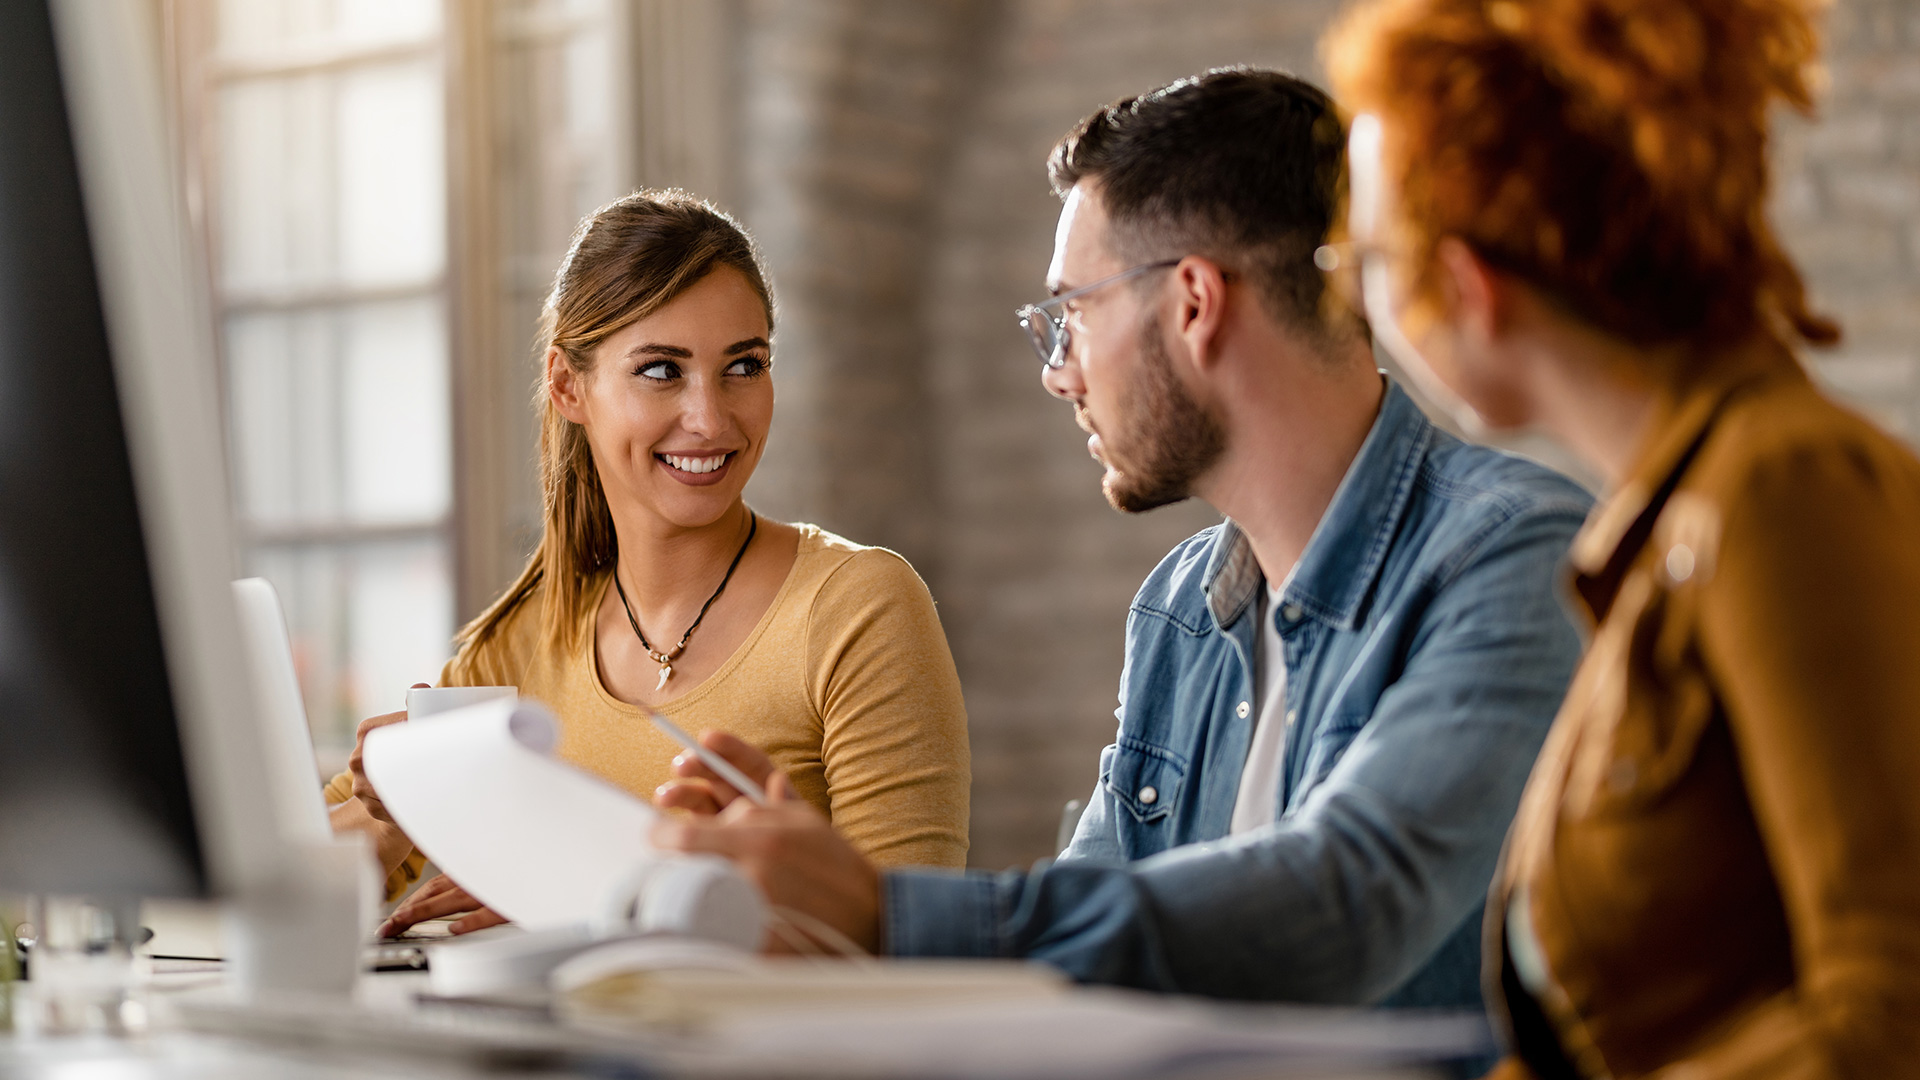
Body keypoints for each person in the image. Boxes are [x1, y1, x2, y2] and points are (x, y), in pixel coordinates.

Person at [653, 70, 1591, 1011]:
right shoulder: (1180, 606)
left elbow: (1354, 902)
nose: (1059, 374)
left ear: (1192, 304)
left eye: (1073, 313)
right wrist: (818, 913)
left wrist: (885, 914)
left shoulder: (1517, 556)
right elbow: (1086, 940)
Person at [1322, 0, 1920, 1074]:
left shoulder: (1785, 488)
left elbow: (1894, 1005)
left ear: (1467, 285)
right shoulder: (1673, 525)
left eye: (1362, 252)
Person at [326, 191, 972, 933]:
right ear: (570, 386)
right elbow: (292, 880)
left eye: (744, 365)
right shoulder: (516, 647)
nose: (711, 418)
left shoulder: (858, 607)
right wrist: (405, 804)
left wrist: (568, 903)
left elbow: (912, 940)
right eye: (663, 370)